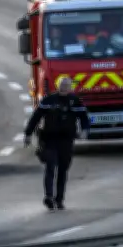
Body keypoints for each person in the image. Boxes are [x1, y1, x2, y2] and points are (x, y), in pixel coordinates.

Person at [23, 77, 90, 211]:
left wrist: (84, 131)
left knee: (63, 170)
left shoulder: (75, 102)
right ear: (57, 86)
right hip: (49, 140)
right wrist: (28, 134)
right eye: (62, 85)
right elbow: (36, 117)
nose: (64, 87)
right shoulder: (49, 100)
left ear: (71, 87)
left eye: (67, 85)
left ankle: (59, 199)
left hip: (66, 140)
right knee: (50, 167)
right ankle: (48, 197)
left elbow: (84, 117)